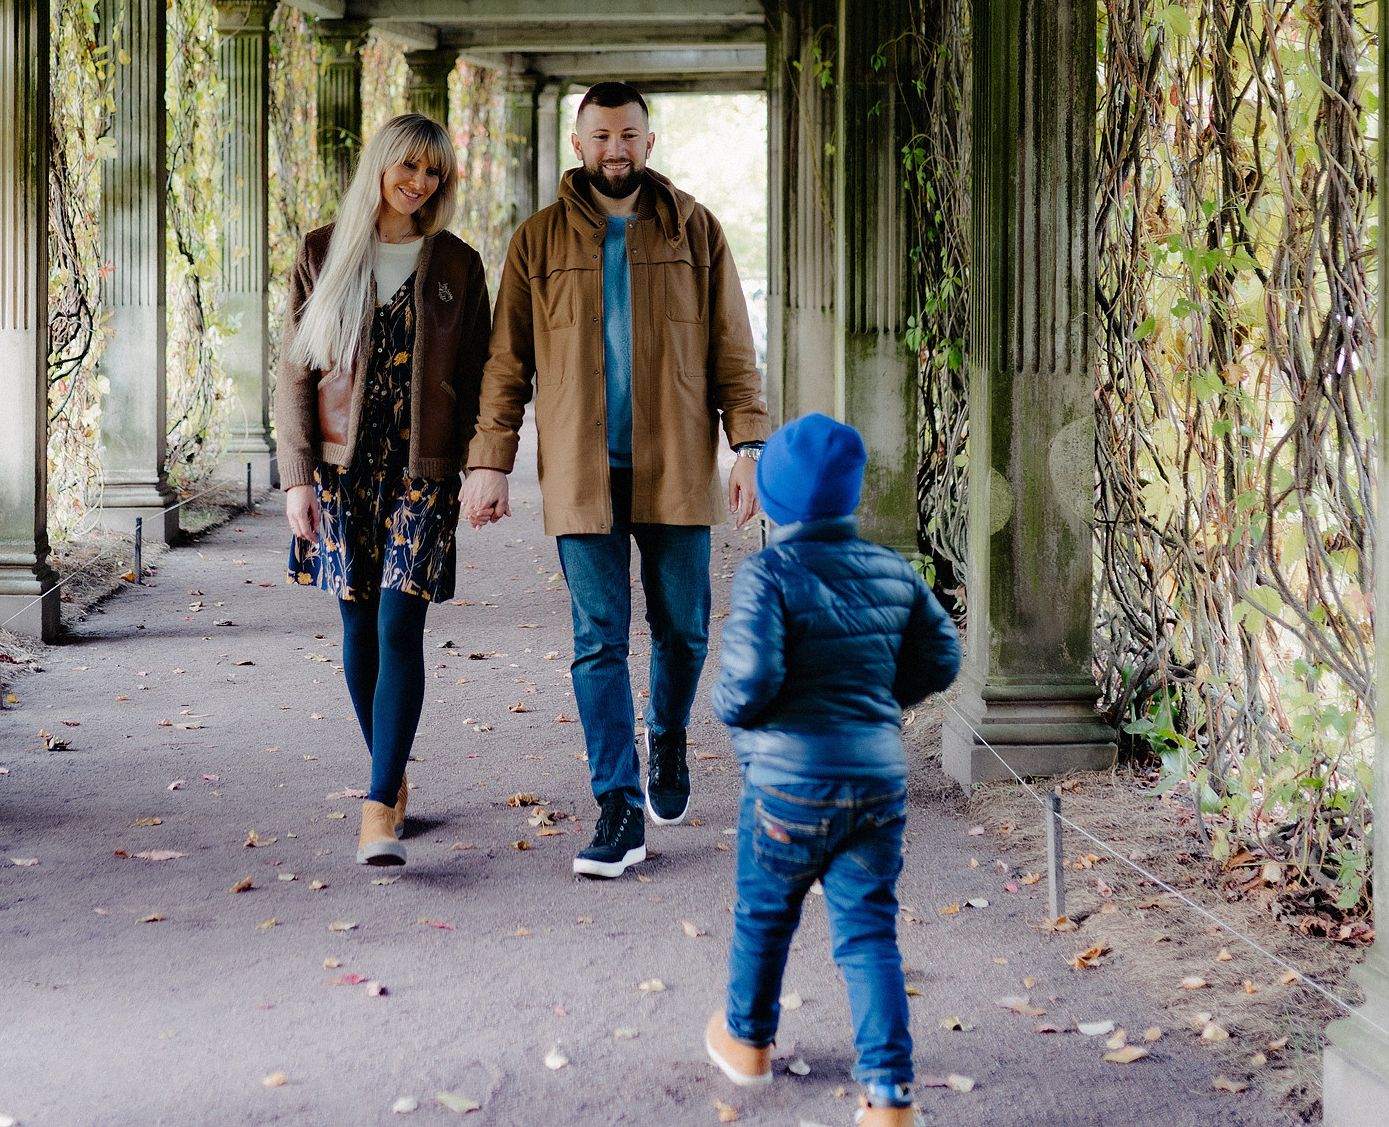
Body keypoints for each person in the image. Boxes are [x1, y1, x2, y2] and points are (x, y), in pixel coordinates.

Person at [459, 81, 772, 877]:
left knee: (686, 630)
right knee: (597, 642)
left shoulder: (697, 229)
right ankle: (619, 803)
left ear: (649, 141)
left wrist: (748, 447)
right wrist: (489, 462)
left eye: (628, 134)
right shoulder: (536, 242)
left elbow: (733, 347)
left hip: (674, 467)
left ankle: (666, 734)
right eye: (600, 136)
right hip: (578, 471)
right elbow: (506, 364)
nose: (615, 149)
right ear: (578, 143)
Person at [701, 413, 962, 1127]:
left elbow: (750, 677)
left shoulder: (769, 573)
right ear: (851, 496)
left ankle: (748, 1041)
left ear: (776, 501)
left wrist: (734, 709)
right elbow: (942, 658)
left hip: (786, 784)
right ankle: (888, 1095)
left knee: (764, 913)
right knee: (869, 931)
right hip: (876, 783)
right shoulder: (892, 570)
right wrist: (880, 700)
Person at [275, 113, 493, 870]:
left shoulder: (459, 265)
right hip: (341, 471)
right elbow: (296, 374)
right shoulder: (322, 252)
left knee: (402, 626)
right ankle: (391, 774)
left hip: (422, 474)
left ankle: (376, 810)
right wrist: (298, 476)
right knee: (359, 628)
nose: (419, 183)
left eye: (433, 172)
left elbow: (478, 376)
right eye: (408, 166)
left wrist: (482, 463)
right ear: (380, 165)